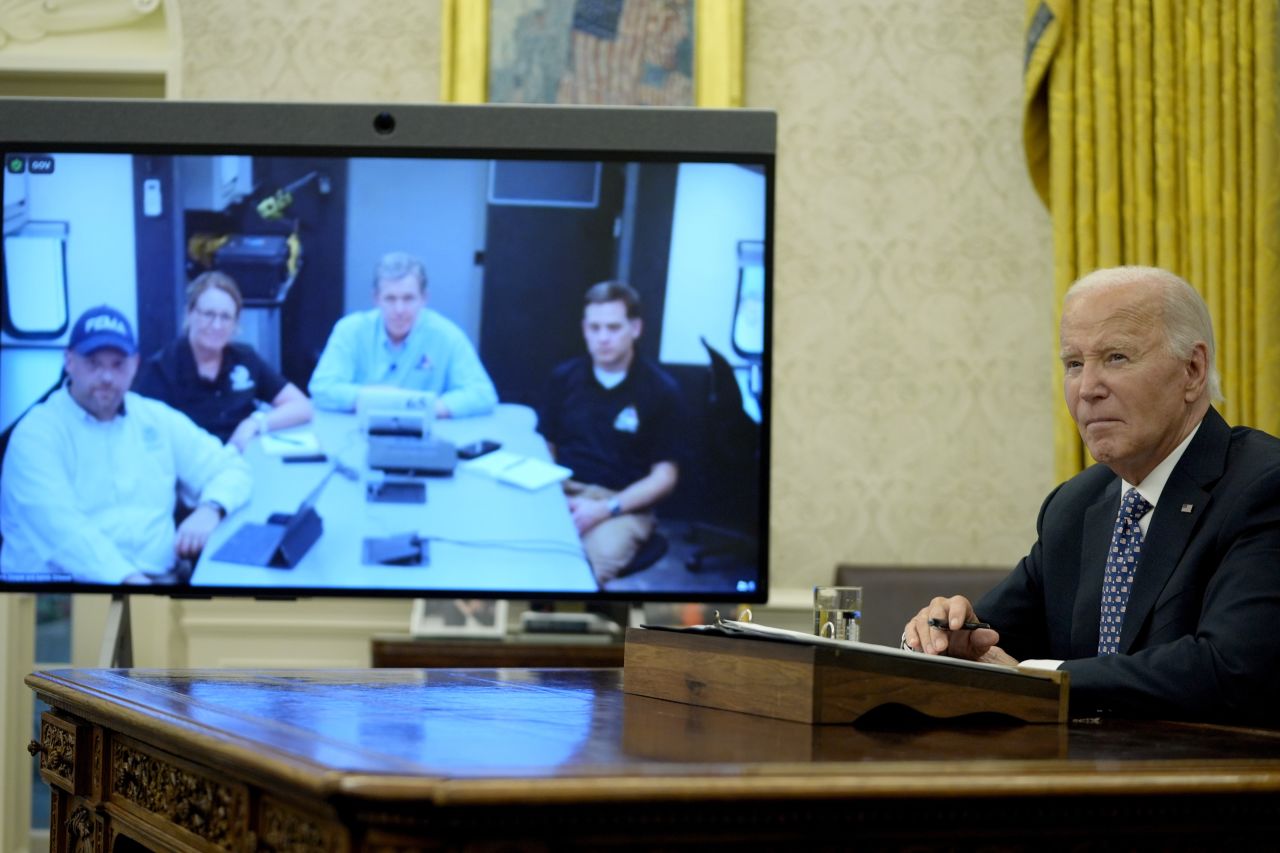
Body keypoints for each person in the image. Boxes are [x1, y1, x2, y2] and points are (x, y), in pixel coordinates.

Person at [901, 266, 1280, 726]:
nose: (1088, 389)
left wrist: (1045, 678)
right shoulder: (1075, 505)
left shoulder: (1262, 486)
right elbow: (990, 642)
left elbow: (1229, 669)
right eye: (1074, 364)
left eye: (1116, 357)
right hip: (1082, 780)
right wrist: (941, 638)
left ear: (1193, 370)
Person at [0, 305, 252, 585]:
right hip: (66, 597)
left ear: (135, 364)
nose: (107, 377)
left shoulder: (155, 418)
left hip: (158, 578)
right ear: (69, 361)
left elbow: (231, 467)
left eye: (118, 364)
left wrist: (211, 508)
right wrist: (134, 584)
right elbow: (63, 534)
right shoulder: (36, 434)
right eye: (93, 363)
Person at [538, 281, 686, 585]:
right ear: (584, 329)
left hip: (623, 503)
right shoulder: (564, 378)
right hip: (565, 489)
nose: (602, 338)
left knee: (583, 573)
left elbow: (665, 477)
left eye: (613, 328)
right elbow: (547, 445)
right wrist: (553, 493)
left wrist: (604, 509)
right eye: (594, 328)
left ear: (635, 328)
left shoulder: (661, 391)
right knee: (526, 550)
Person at [133, 271, 313, 451]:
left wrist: (254, 423)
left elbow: (301, 406)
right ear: (189, 313)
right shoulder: (161, 369)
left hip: (240, 462)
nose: (217, 325)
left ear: (236, 324)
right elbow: (143, 436)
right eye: (208, 314)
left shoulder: (245, 359)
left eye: (226, 317)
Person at [308, 251, 498, 417]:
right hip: (358, 430)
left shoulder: (447, 335)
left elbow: (483, 394)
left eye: (408, 298)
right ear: (376, 299)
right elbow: (321, 389)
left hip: (424, 435)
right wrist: (384, 398)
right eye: (390, 298)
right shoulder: (350, 330)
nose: (399, 310)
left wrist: (420, 407)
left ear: (424, 299)